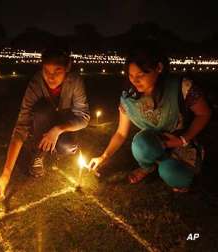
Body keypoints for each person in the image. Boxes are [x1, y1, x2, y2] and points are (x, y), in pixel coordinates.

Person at [88, 41, 211, 192]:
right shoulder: (129, 99)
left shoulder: (181, 87)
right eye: (131, 75)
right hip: (154, 142)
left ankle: (168, 166)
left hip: (183, 142)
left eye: (141, 74)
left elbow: (204, 113)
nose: (135, 80)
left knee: (174, 176)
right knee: (141, 143)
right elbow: (121, 133)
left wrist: (182, 140)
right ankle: (147, 167)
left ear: (158, 68)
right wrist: (103, 157)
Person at [0, 47, 90, 198]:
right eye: (46, 71)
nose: (51, 77)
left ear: (67, 68)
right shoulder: (35, 84)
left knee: (68, 148)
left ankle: (57, 144)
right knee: (42, 110)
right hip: (42, 120)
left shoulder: (75, 81)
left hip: (63, 124)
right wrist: (6, 174)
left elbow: (84, 117)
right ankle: (38, 154)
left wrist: (58, 129)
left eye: (57, 71)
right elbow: (21, 126)